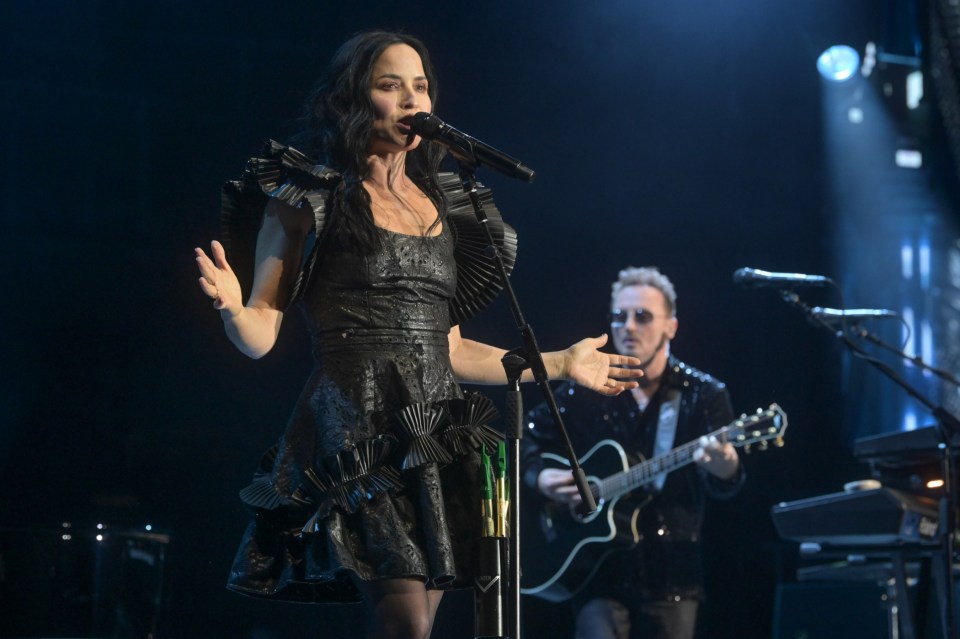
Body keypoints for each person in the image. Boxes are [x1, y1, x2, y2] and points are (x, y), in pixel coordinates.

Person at [193, 30, 643, 639]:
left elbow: (451, 349)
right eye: (389, 85)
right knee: (405, 620)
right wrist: (231, 307)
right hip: (359, 427)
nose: (410, 99)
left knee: (420, 624)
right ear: (354, 99)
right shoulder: (310, 196)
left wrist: (558, 364)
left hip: (431, 432)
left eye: (420, 86)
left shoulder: (442, 207)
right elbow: (262, 332)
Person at [521, 266, 744, 639]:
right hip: (597, 574)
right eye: (619, 316)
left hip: (671, 574)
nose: (629, 326)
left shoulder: (704, 395)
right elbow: (520, 439)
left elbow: (726, 487)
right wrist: (539, 476)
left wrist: (728, 468)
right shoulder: (585, 390)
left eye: (643, 316)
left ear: (670, 326)